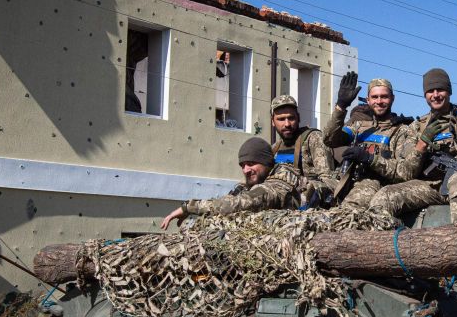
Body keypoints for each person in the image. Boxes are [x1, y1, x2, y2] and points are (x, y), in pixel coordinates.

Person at [369, 68, 457, 224]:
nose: (436, 95)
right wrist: (422, 144)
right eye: (430, 91)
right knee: (384, 196)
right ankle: (387, 242)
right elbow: (407, 172)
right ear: (425, 94)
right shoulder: (417, 127)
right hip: (428, 186)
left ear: (449, 91)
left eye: (441, 90)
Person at [323, 72, 422, 207]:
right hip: (344, 179)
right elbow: (329, 139)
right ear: (368, 100)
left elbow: (404, 172)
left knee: (348, 210)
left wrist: (370, 159)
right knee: (315, 190)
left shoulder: (403, 131)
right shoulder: (358, 127)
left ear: (392, 98)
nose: (379, 101)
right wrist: (341, 106)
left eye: (384, 97)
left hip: (374, 184)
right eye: (374, 97)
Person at [160, 137, 307, 229]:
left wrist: (189, 207)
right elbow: (226, 201)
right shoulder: (249, 185)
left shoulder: (280, 182)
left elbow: (241, 203)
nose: (246, 170)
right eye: (242, 165)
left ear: (267, 162)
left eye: (251, 163)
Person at [269, 94, 336, 202]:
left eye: (291, 118)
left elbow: (329, 181)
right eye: (281, 119)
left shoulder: (313, 138)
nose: (287, 124)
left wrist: (309, 188)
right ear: (273, 122)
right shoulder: (274, 149)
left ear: (298, 118)